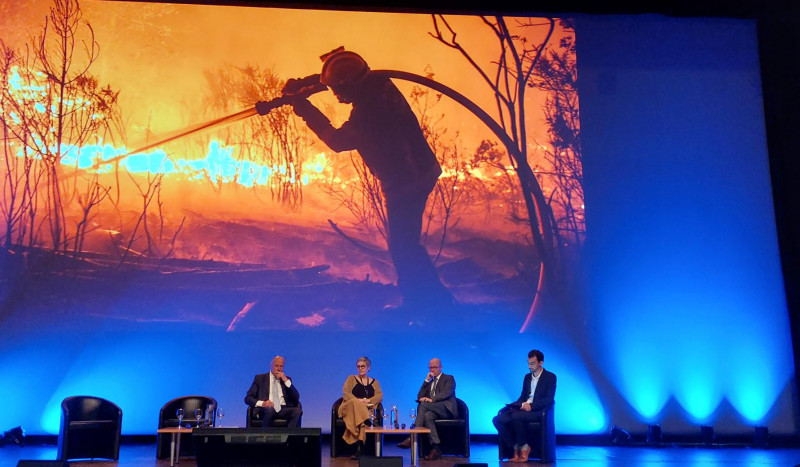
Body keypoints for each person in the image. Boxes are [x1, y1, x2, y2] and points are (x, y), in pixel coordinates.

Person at [273, 47, 454, 311]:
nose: (336, 95)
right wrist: (308, 84)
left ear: (350, 87)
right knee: (406, 245)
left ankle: (429, 306)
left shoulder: (368, 112)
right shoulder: (377, 80)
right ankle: (429, 302)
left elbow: (337, 141)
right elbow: (347, 71)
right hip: (419, 170)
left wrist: (303, 108)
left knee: (404, 248)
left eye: (337, 90)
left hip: (406, 181)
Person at [492, 349, 556, 463]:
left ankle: (525, 448)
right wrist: (518, 404)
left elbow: (549, 399)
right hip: (524, 409)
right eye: (528, 363)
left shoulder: (550, 377)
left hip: (538, 411)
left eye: (532, 363)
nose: (529, 366)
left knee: (517, 417)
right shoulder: (527, 377)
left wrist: (531, 406)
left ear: (541, 363)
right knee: (498, 419)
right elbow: (523, 396)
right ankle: (516, 445)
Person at [397, 357, 457, 460]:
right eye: (430, 367)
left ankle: (411, 437)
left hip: (446, 409)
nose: (432, 370)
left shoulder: (449, 378)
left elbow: (447, 393)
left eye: (435, 367)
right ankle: (436, 448)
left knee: (424, 404)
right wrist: (426, 381)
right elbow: (419, 397)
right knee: (427, 415)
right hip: (433, 410)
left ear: (441, 367)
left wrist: (431, 400)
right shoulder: (429, 382)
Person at [338, 356, 383, 459]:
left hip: (364, 411)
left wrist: (368, 401)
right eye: (358, 366)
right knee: (354, 402)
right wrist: (359, 402)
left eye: (363, 366)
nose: (360, 368)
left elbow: (379, 395)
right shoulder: (351, 379)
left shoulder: (374, 382)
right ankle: (368, 420)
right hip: (349, 408)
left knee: (362, 423)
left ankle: (360, 449)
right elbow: (346, 393)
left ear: (368, 368)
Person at [244, 355, 302, 428]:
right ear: (271, 366)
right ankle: (265, 437)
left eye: (281, 366)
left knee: (297, 411)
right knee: (270, 410)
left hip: (283, 408)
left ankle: (289, 437)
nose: (279, 369)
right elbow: (248, 398)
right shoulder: (260, 379)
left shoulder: (286, 379)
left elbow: (296, 397)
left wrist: (286, 381)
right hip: (266, 409)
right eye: (276, 366)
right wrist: (263, 403)